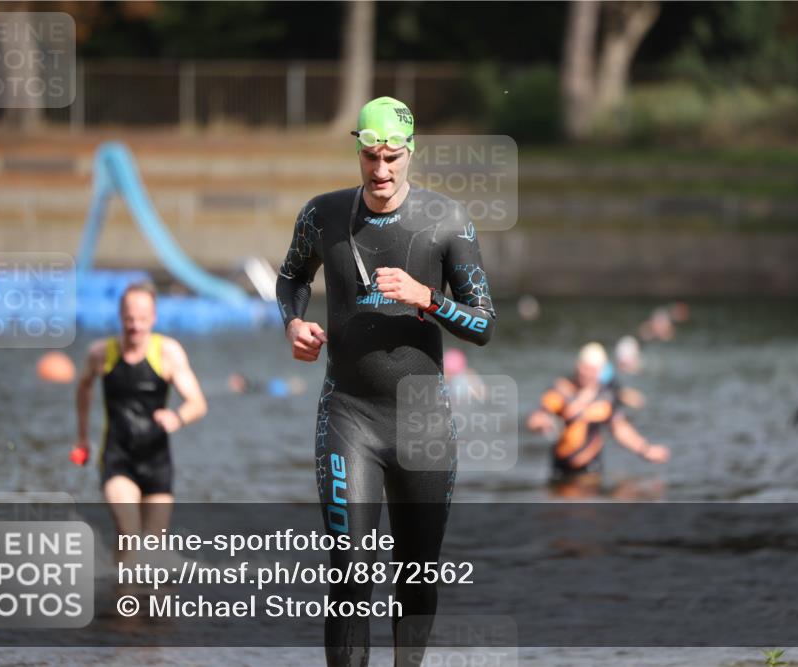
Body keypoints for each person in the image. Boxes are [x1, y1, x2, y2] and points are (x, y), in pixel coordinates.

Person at [275, 97, 495, 667]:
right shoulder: (321, 215)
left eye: (392, 157)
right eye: (370, 156)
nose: (380, 170)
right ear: (357, 149)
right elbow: (290, 278)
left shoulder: (447, 221)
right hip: (349, 415)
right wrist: (294, 323)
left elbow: (484, 325)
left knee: (416, 576)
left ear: (410, 152)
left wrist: (427, 299)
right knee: (350, 574)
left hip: (423, 423)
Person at [74, 282, 207, 562]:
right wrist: (83, 438)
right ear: (120, 316)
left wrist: (177, 417)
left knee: (153, 551)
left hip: (157, 462)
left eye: (142, 319)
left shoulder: (168, 353)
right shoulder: (101, 354)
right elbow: (83, 386)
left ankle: (137, 594)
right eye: (129, 319)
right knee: (129, 532)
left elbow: (198, 403)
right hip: (117, 458)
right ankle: (121, 598)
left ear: (154, 318)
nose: (135, 326)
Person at [527, 343, 668, 496]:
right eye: (585, 368)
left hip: (591, 471)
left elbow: (619, 428)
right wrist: (541, 424)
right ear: (578, 366)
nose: (587, 374)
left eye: (593, 370)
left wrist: (645, 450)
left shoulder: (605, 397)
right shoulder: (562, 391)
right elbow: (535, 419)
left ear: (601, 371)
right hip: (561, 471)